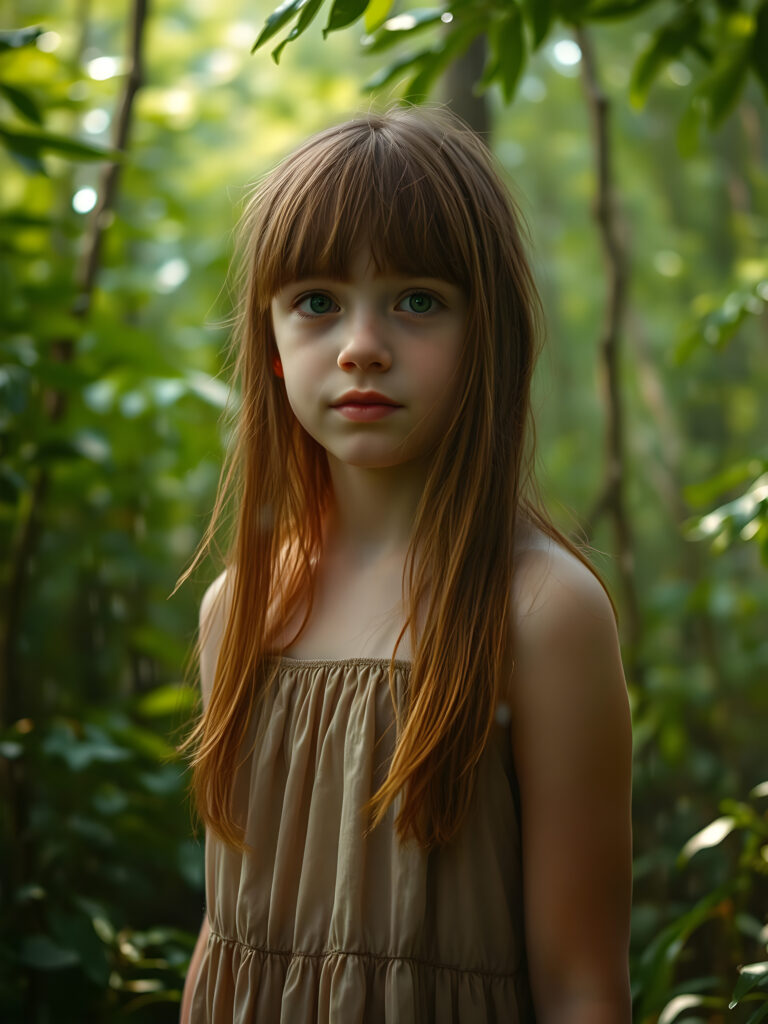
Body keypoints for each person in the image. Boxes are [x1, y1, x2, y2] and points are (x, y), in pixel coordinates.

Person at [176, 106, 633, 1024]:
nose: (361, 345)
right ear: (269, 342)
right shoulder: (241, 606)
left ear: (486, 332)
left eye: (417, 300)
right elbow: (223, 945)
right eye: (316, 302)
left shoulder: (542, 611)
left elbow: (583, 985)